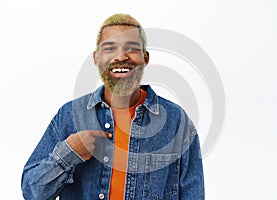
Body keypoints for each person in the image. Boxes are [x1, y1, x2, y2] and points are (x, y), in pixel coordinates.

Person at [21, 13, 205, 200]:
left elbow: (193, 193)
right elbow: (33, 192)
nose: (121, 56)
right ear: (96, 58)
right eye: (109, 49)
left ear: (145, 57)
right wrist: (70, 153)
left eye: (132, 48)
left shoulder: (176, 122)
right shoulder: (70, 115)